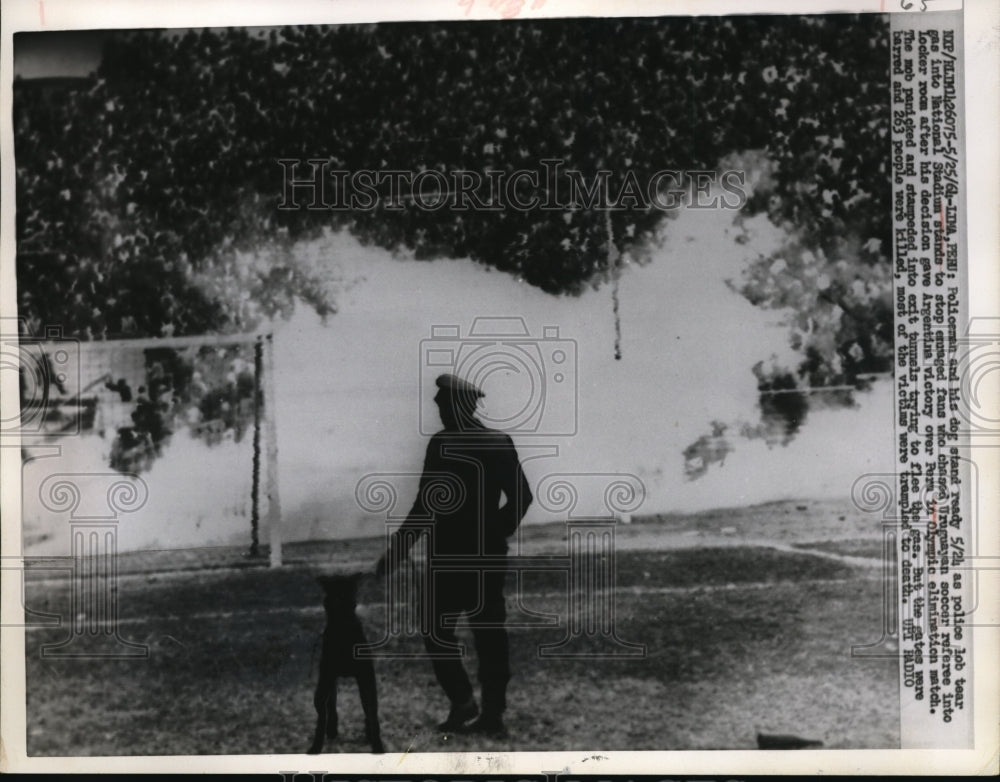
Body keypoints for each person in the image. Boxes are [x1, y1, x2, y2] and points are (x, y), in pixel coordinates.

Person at [375, 373, 533, 736]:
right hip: (468, 557)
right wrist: (495, 532)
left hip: (460, 557)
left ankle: (478, 709)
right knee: (467, 633)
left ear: (457, 405)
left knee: (455, 632)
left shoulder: (461, 443)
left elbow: (425, 508)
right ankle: (477, 709)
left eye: (443, 403)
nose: (437, 407)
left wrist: (397, 551)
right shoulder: (477, 442)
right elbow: (520, 496)